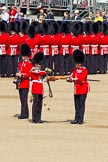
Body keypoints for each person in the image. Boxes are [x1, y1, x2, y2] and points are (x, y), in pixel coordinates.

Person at [66, 49, 90, 124]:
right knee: (76, 105)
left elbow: (81, 79)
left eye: (77, 63)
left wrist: (73, 79)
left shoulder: (84, 70)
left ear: (80, 63)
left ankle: (80, 119)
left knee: (81, 105)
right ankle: (76, 118)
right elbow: (71, 77)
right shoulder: (74, 70)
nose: (76, 64)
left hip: (83, 90)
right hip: (77, 90)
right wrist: (68, 79)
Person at [15, 43, 33, 119]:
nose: (22, 57)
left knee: (24, 99)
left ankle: (24, 114)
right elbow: (19, 70)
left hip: (25, 83)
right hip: (20, 83)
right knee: (22, 99)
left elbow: (30, 74)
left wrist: (22, 75)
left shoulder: (29, 64)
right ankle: (24, 113)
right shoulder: (20, 64)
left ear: (26, 56)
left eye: (23, 56)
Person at [30, 52, 46, 123]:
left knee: (39, 104)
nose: (40, 66)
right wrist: (45, 72)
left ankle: (38, 118)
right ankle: (34, 118)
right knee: (35, 104)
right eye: (39, 64)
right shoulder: (33, 70)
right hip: (35, 88)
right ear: (35, 64)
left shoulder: (40, 70)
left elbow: (43, 76)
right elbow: (39, 73)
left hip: (40, 88)